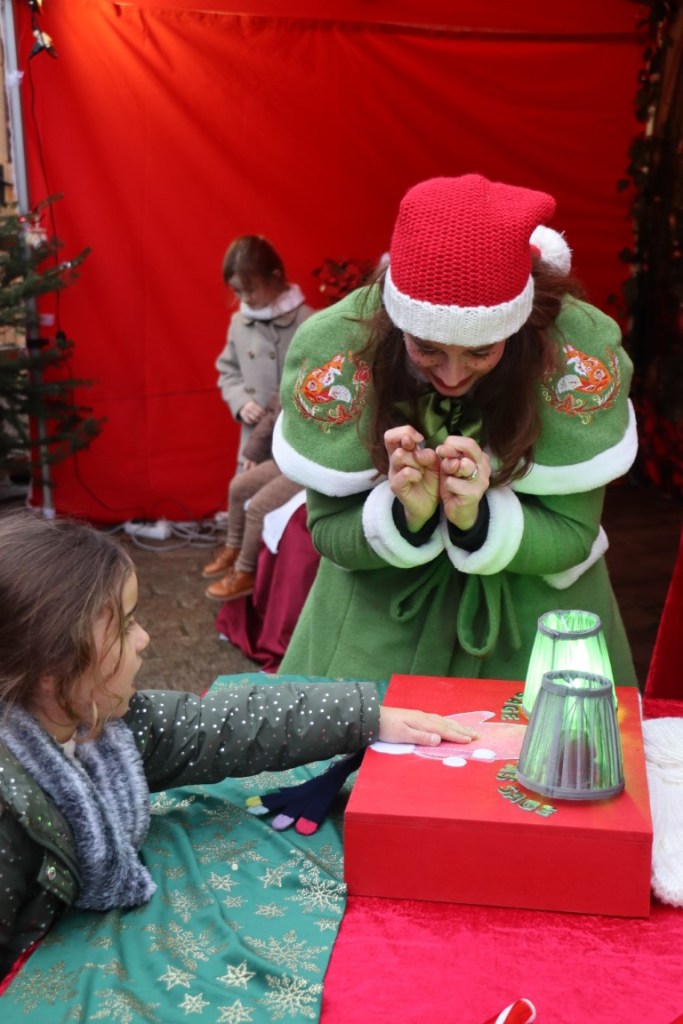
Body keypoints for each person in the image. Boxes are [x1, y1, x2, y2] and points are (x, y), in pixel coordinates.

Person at [0, 509, 476, 979]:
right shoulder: (10, 819)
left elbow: (225, 723)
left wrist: (367, 715)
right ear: (53, 668)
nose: (144, 639)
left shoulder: (99, 728)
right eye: (124, 627)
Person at [273, 173, 639, 686]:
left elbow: (573, 534)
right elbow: (327, 529)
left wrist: (477, 519)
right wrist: (406, 517)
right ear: (397, 326)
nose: (451, 375)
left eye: (480, 352)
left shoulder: (572, 358)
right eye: (426, 349)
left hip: (534, 642)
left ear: (515, 331)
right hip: (374, 634)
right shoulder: (342, 350)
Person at [215, 234, 313, 476]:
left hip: (296, 441)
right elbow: (228, 371)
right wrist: (241, 402)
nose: (245, 298)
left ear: (275, 276)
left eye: (251, 289)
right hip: (253, 442)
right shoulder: (239, 323)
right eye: (237, 291)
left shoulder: (306, 320)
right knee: (246, 499)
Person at [202, 389, 302, 601]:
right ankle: (233, 549)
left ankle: (245, 571)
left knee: (258, 506)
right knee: (239, 487)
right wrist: (254, 449)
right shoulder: (299, 363)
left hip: (307, 466)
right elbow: (274, 409)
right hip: (285, 457)